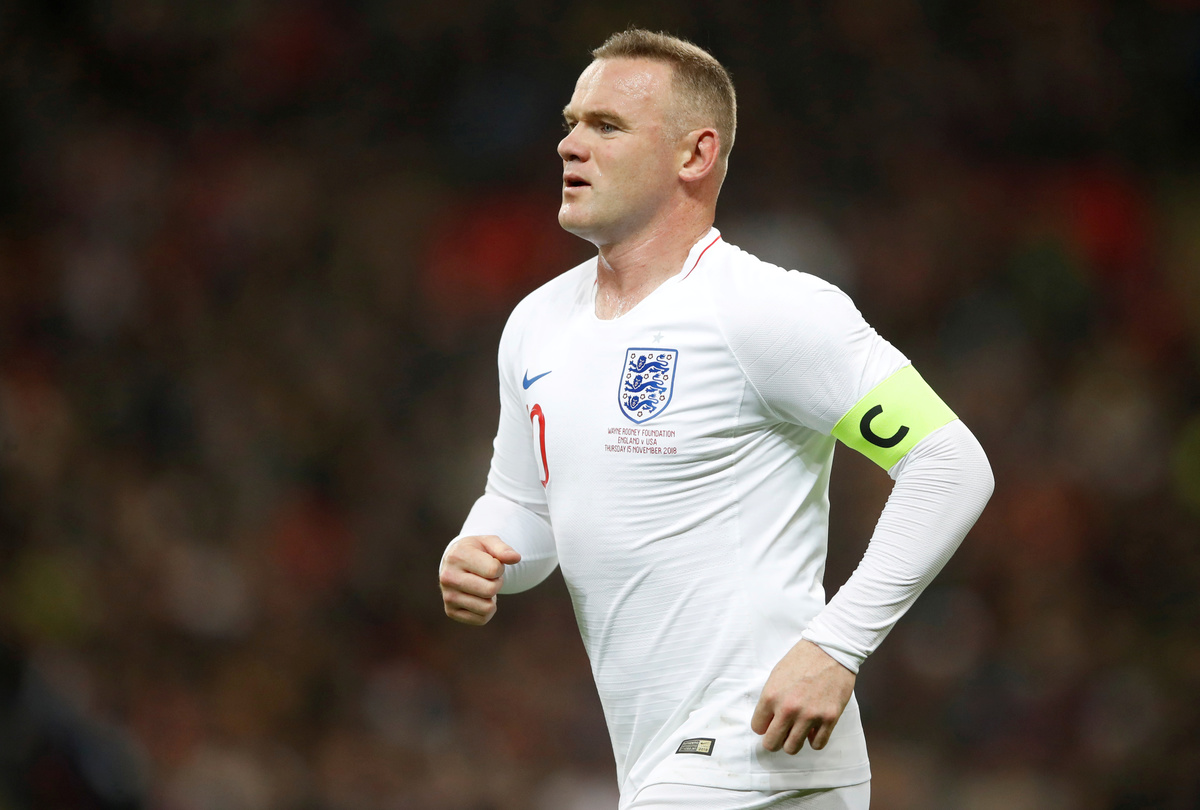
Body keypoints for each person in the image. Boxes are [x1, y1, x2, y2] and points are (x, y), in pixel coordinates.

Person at [438, 29, 993, 810]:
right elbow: (525, 507)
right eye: (571, 122)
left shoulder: (767, 309)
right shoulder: (537, 323)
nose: (570, 144)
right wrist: (483, 550)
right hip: (671, 759)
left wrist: (838, 645)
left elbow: (950, 463)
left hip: (752, 743)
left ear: (694, 155)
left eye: (606, 125)